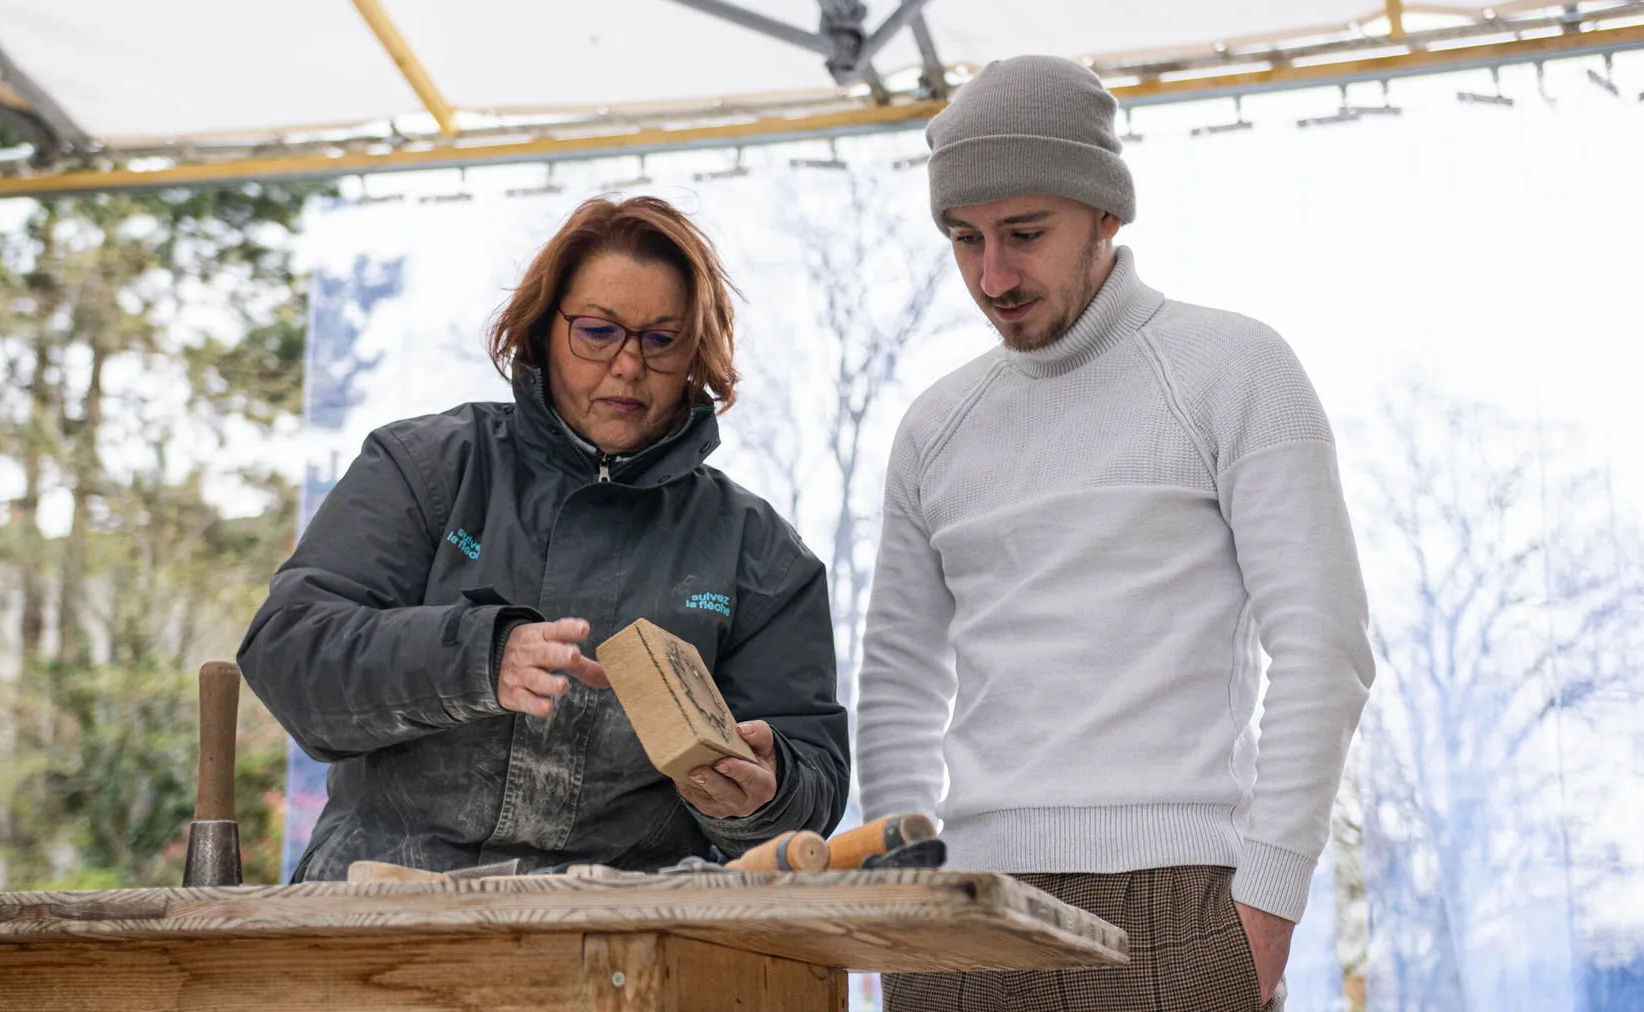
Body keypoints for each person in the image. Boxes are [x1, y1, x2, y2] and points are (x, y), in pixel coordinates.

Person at [857, 56, 1374, 1011]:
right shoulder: (936, 427)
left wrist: (1263, 912)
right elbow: (897, 677)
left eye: (1025, 234)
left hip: (1183, 906)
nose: (992, 275)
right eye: (964, 239)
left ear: (1106, 213)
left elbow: (1325, 645)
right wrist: (905, 898)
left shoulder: (1234, 370)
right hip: (960, 913)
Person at [240, 196, 848, 881]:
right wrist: (476, 657)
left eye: (660, 339)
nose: (626, 365)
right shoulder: (426, 469)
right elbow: (290, 651)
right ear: (543, 328)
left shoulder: (759, 552)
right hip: (379, 909)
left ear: (696, 354)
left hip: (622, 937)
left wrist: (766, 795)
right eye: (597, 331)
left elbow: (810, 778)